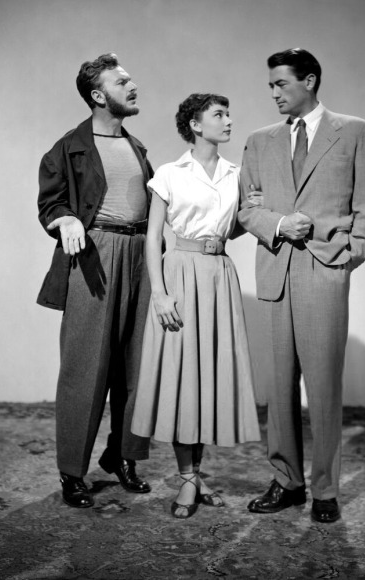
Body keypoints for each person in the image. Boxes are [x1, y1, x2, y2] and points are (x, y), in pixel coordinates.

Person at [238, 48, 365, 523]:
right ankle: (287, 482)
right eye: (271, 86)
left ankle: (324, 490)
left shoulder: (355, 131)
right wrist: (280, 224)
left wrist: (343, 258)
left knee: (322, 388)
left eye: (281, 84)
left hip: (325, 273)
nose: (274, 93)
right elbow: (246, 208)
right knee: (279, 388)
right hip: (277, 271)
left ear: (311, 80)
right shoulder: (260, 141)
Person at [131, 93, 261, 519]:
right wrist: (161, 292)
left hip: (219, 277)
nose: (228, 121)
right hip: (179, 278)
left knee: (206, 378)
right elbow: (153, 238)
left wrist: (220, 239)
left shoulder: (235, 174)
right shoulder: (169, 174)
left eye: (229, 113)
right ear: (195, 124)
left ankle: (196, 473)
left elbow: (239, 224)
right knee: (181, 377)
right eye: (219, 115)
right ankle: (187, 477)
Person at [37, 53, 153, 508]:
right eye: (123, 81)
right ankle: (72, 472)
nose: (133, 85)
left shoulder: (138, 147)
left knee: (139, 367)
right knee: (85, 368)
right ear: (98, 95)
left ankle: (123, 456)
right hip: (93, 255)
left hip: (142, 255)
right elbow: (51, 203)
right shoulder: (68, 147)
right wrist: (64, 219)